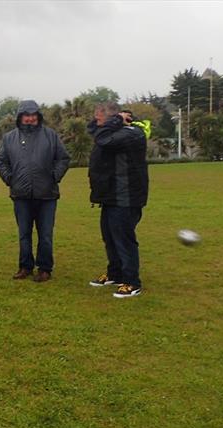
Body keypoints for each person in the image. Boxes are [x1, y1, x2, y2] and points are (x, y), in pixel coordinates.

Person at [0, 100, 70, 282]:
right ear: (20, 117)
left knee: (45, 235)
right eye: (26, 115)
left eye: (33, 115)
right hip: (21, 195)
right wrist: (10, 179)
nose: (30, 119)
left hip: (47, 195)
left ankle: (45, 268)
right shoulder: (9, 138)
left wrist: (54, 176)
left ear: (38, 116)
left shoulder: (50, 136)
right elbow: (1, 161)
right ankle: (25, 266)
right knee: (24, 234)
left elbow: (63, 158)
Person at [87, 101, 149, 298]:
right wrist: (110, 121)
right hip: (110, 196)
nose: (97, 122)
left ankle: (132, 281)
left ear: (113, 118)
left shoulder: (131, 134)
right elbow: (94, 131)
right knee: (110, 237)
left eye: (100, 117)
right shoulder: (111, 131)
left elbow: (103, 139)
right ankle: (115, 273)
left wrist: (114, 121)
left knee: (123, 239)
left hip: (126, 196)